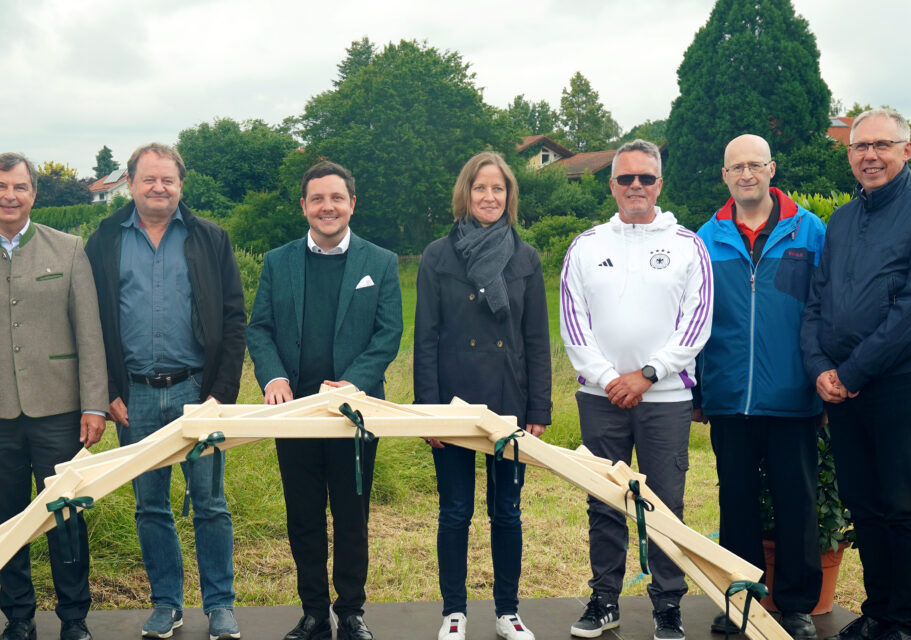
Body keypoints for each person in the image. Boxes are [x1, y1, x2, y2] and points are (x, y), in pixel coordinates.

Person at [802, 109, 911, 640]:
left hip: (903, 378)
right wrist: (821, 368)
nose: (869, 156)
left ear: (907, 149)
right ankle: (878, 612)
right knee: (864, 503)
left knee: (902, 503)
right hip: (845, 385)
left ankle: (908, 624)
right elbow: (817, 301)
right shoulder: (843, 221)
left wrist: (853, 370)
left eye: (881, 146)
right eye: (858, 148)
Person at [0, 152, 108, 640]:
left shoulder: (69, 249)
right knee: (7, 520)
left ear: (34, 192)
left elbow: (89, 333)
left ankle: (74, 618)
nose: (9, 196)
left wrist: (94, 403)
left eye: (19, 187)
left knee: (66, 516)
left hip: (60, 408)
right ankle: (19, 617)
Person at [85, 143, 246, 640]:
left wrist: (221, 392)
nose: (159, 188)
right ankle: (166, 604)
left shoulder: (209, 238)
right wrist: (107, 389)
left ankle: (219, 605)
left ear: (181, 184)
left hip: (197, 392)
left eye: (168, 180)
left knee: (210, 503)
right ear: (130, 183)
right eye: (149, 179)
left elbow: (234, 317)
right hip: (132, 395)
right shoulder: (105, 239)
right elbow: (91, 322)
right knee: (150, 505)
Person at [561, 139, 713, 640]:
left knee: (664, 503)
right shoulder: (585, 246)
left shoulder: (689, 246)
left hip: (665, 398)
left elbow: (696, 325)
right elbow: (573, 323)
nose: (635, 187)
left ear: (659, 184)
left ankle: (666, 606)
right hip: (599, 398)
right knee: (603, 500)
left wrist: (647, 374)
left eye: (645, 178)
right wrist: (609, 379)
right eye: (625, 178)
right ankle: (605, 599)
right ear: (611, 185)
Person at [246, 160, 403, 640]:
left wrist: (351, 383)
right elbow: (260, 328)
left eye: (336, 198)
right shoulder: (279, 261)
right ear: (304, 207)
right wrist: (272, 377)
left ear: (352, 203)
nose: (327, 207)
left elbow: (387, 333)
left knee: (352, 518)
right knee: (304, 516)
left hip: (354, 415)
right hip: (294, 415)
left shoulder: (380, 262)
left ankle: (351, 612)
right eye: (317, 199)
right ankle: (313, 613)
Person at [412, 151, 551, 640]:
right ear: (464, 194)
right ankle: (454, 612)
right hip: (452, 403)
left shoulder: (525, 256)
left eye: (498, 189)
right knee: (454, 511)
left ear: (509, 196)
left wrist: (539, 410)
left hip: (509, 397)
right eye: (480, 188)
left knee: (507, 510)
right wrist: (428, 413)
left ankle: (508, 612)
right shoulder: (437, 255)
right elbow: (424, 337)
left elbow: (536, 339)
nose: (489, 196)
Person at [694, 135, 826, 640]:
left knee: (797, 503)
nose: (746, 174)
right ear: (725, 176)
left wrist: (822, 376)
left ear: (771, 168)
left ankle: (795, 606)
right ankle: (741, 601)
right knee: (737, 504)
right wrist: (698, 389)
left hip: (793, 395)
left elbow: (826, 312)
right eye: (736, 167)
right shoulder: (705, 238)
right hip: (728, 396)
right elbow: (693, 318)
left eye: (754, 165)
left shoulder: (810, 232)